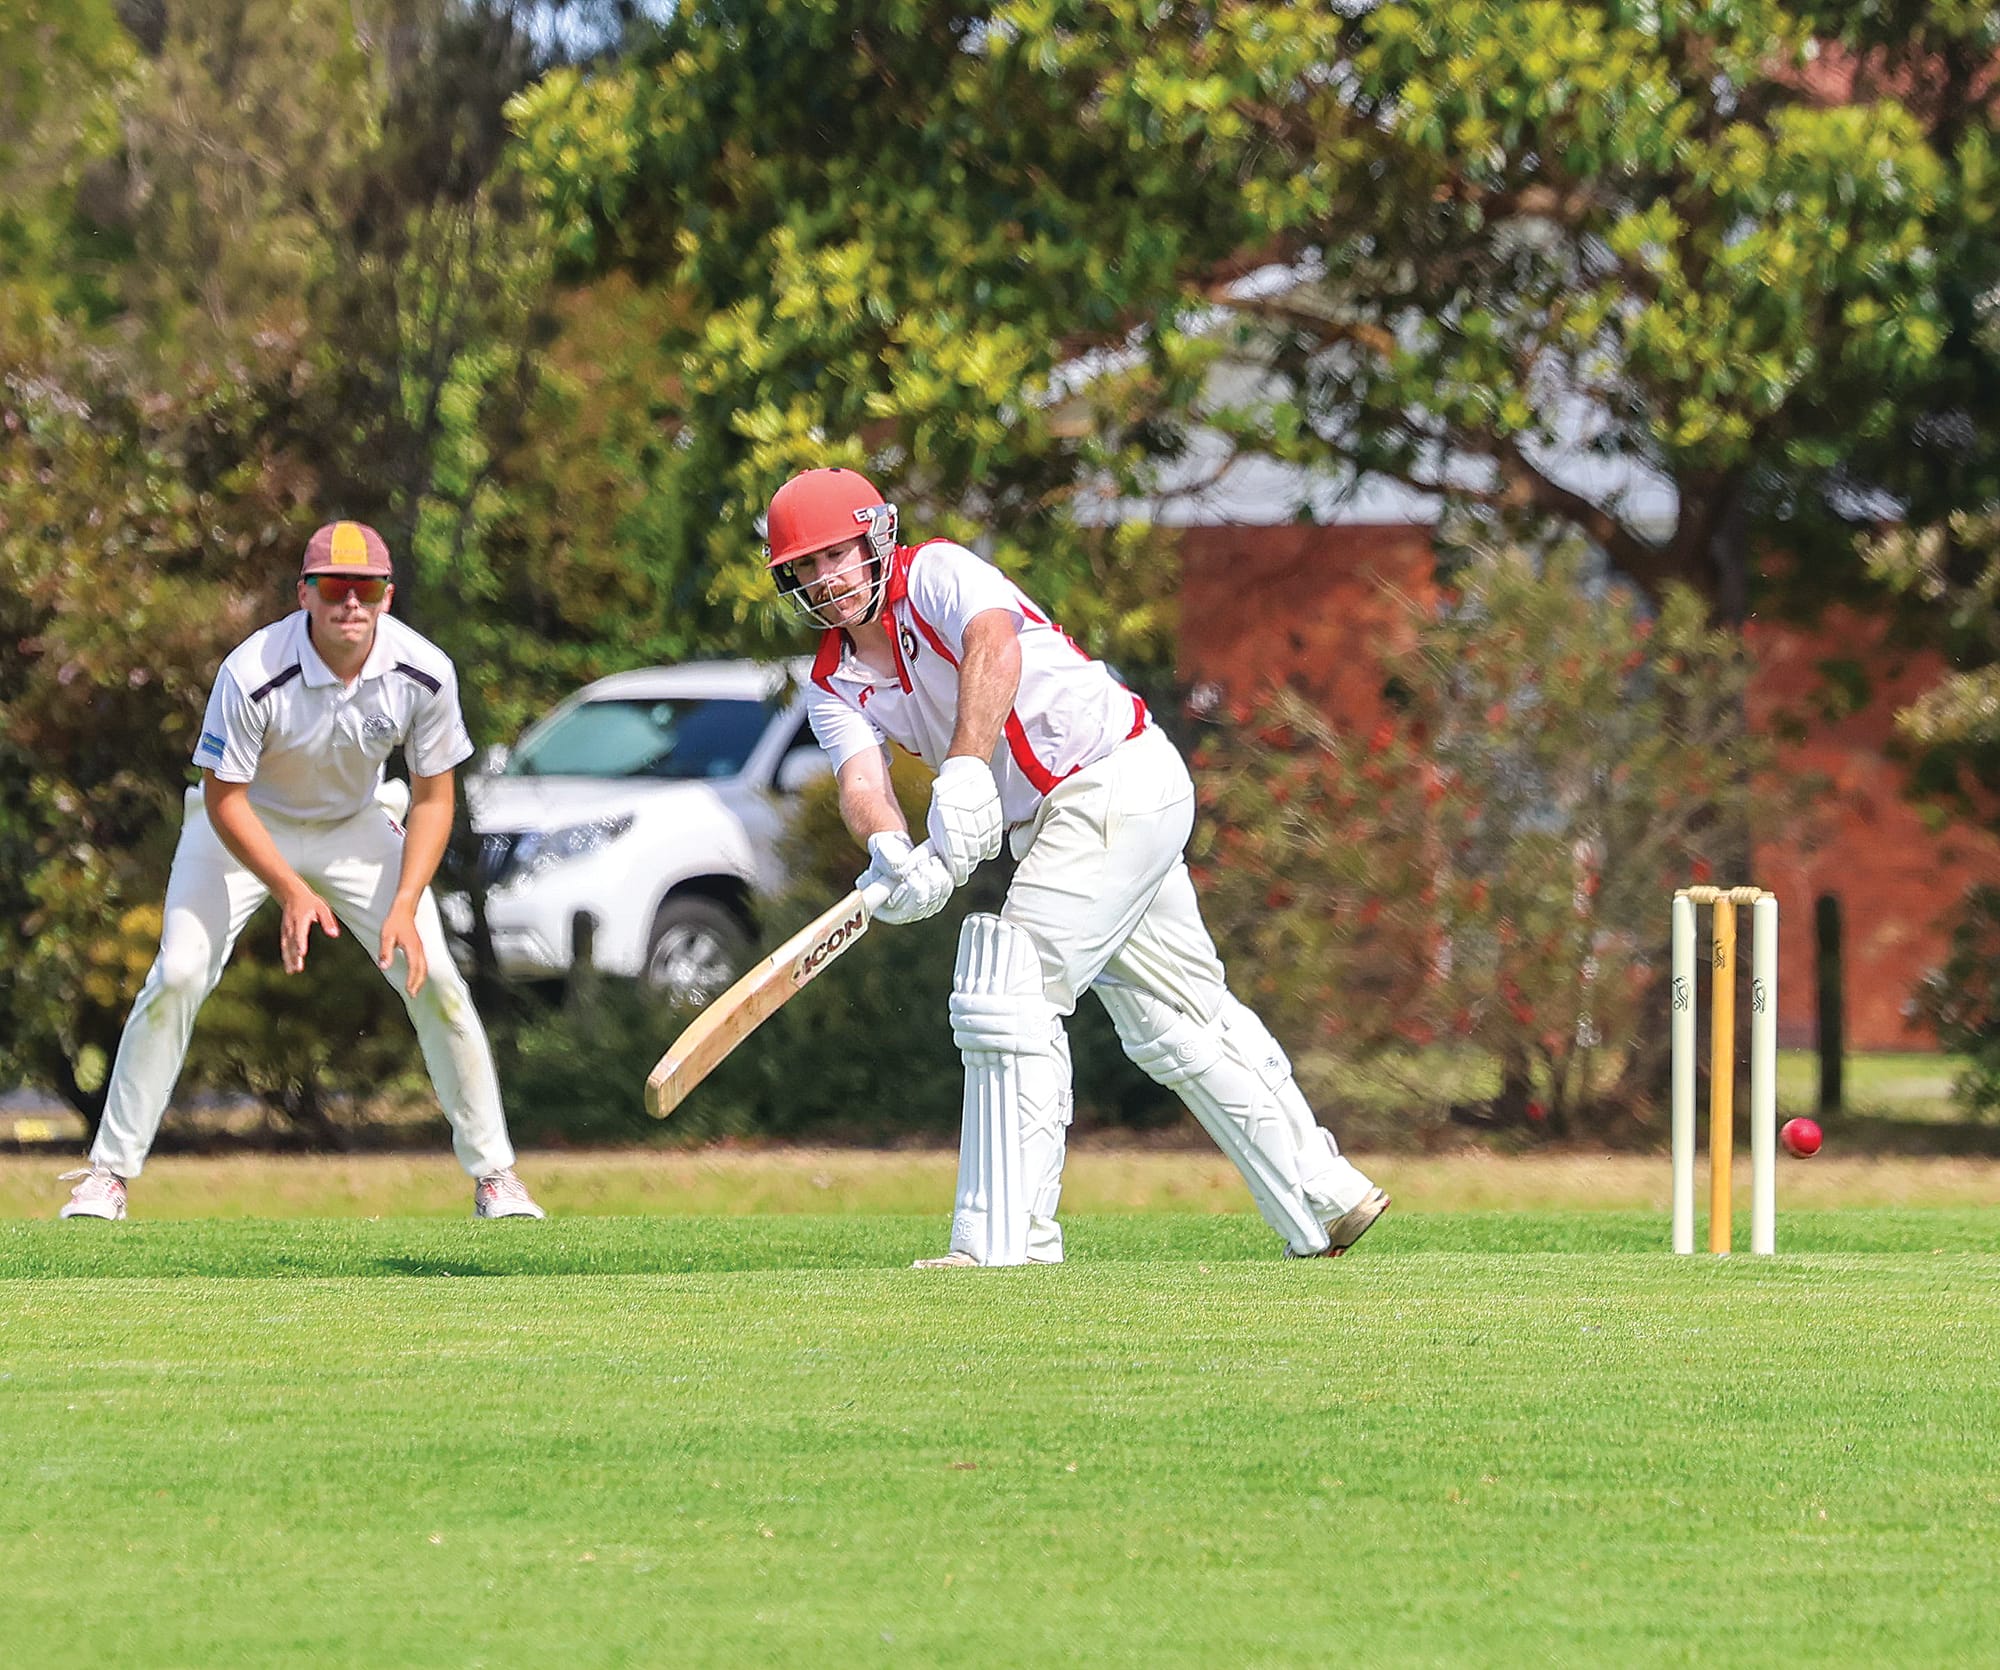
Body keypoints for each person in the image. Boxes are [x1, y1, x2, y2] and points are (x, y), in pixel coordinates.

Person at [763, 467, 1388, 1265]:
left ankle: (1006, 1241)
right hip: (1070, 819)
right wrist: (889, 848)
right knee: (1176, 1021)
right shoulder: (831, 681)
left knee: (1009, 988)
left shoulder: (939, 572)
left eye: (836, 555)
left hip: (1111, 779)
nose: (827, 579)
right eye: (806, 568)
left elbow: (993, 645)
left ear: (873, 539)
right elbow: (861, 782)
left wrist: (964, 768)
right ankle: (1324, 1195)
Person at [59, 521, 544, 1222]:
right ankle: (107, 1176)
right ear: (305, 594)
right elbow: (223, 798)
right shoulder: (252, 670)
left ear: (387, 596)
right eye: (335, 587)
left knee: (436, 977)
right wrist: (290, 888)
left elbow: (434, 799)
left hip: (357, 824)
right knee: (179, 974)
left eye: (367, 589)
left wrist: (405, 902)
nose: (351, 604)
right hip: (243, 825)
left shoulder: (424, 670)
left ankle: (496, 1177)